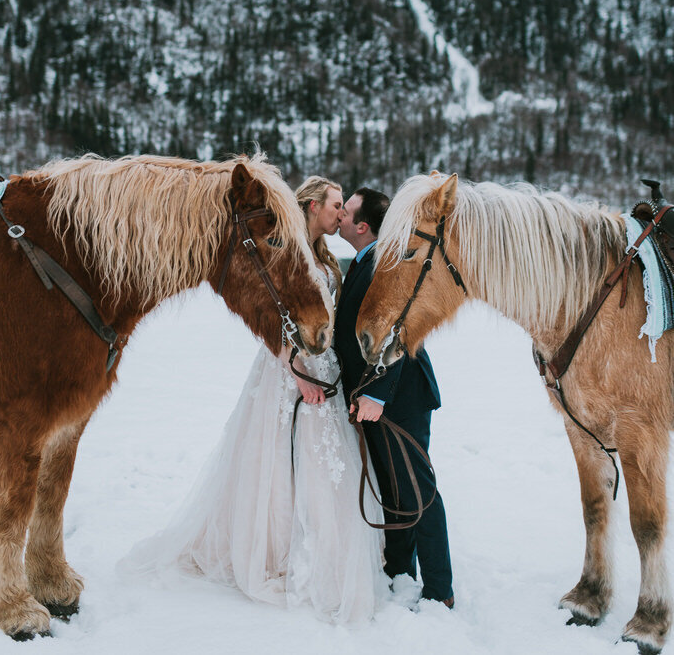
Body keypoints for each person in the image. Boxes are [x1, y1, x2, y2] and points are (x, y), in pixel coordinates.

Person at [120, 176, 387, 624]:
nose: (342, 214)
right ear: (313, 206)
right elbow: (273, 316)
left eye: (344, 208)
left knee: (323, 465)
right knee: (277, 461)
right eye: (337, 205)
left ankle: (324, 548)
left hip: (324, 369)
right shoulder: (284, 250)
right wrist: (297, 371)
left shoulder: (324, 257)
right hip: (290, 372)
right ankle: (273, 550)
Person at [335, 186, 454, 607]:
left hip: (401, 396)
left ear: (362, 225)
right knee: (393, 489)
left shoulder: (383, 265)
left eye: (345, 210)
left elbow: (399, 331)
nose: (340, 215)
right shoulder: (365, 261)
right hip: (373, 399)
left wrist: (378, 394)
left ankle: (441, 591)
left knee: (418, 490)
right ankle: (400, 570)